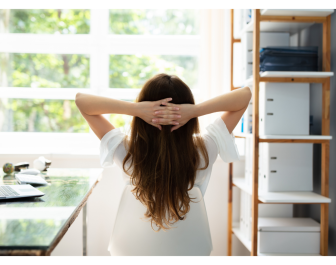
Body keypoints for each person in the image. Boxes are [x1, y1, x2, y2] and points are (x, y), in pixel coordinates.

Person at [73, 73, 251, 255]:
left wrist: (136, 109)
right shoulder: (204, 149)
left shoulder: (127, 151)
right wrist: (194, 111)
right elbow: (245, 95)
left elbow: (81, 101)